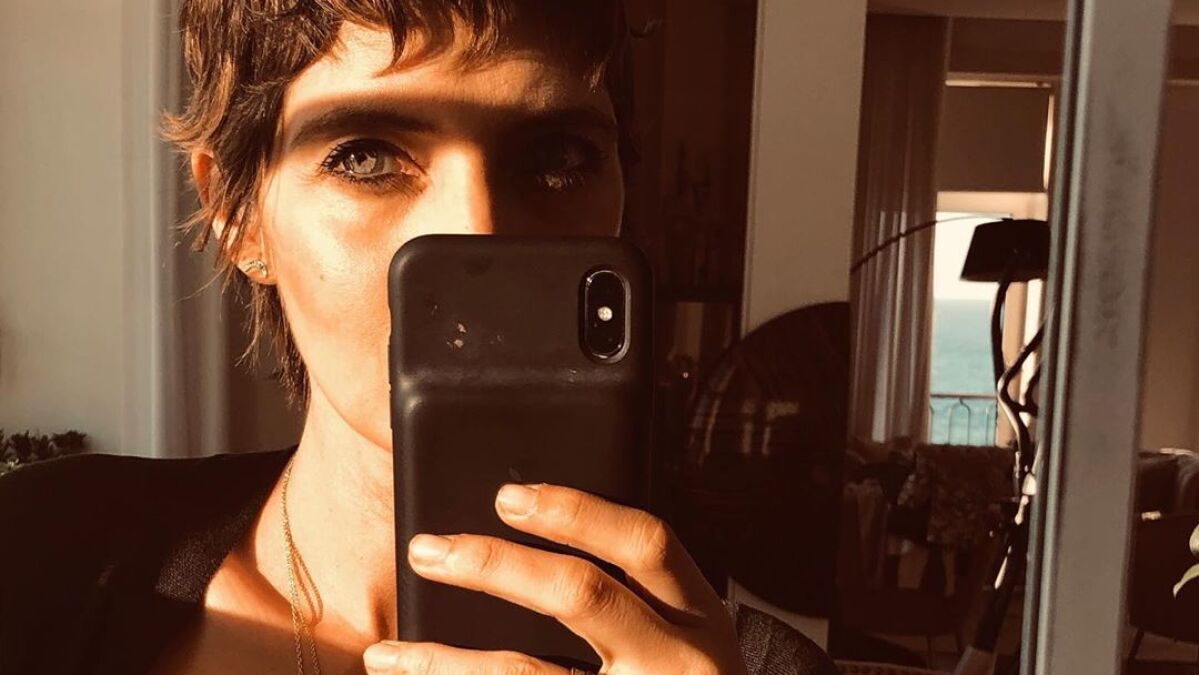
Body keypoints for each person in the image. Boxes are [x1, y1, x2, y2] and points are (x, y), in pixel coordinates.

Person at [0, 2, 838, 673]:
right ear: (238, 216)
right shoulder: (40, 553)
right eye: (364, 156)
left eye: (557, 158)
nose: (478, 239)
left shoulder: (754, 667)